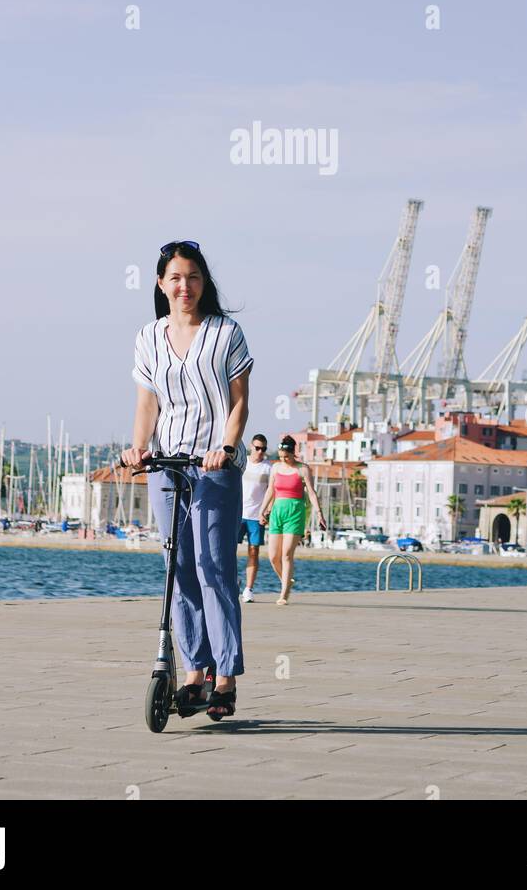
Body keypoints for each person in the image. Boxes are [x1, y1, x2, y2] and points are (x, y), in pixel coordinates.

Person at [121, 240, 253, 720]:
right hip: (166, 466)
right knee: (178, 570)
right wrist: (138, 447)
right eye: (175, 278)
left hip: (214, 466)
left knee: (213, 569)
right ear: (161, 284)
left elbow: (238, 401)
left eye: (193, 277)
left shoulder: (226, 333)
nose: (184, 286)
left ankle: (226, 677)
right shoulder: (149, 337)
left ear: (204, 282)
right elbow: (147, 404)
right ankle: (194, 672)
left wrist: (228, 448)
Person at [259, 435, 326, 605]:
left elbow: (311, 492)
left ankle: (284, 594)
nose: (284, 459)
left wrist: (319, 513)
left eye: (287, 456)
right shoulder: (275, 468)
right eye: (281, 457)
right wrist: (262, 510)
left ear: (293, 453)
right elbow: (270, 491)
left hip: (295, 512)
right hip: (277, 512)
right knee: (273, 556)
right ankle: (286, 580)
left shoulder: (303, 469)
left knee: (286, 554)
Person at [238, 434, 270, 601]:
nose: (260, 452)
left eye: (263, 449)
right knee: (228, 549)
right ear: (251, 446)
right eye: (257, 448)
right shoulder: (243, 462)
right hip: (237, 513)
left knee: (253, 551)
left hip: (256, 516)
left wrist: (266, 512)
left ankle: (248, 589)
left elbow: (272, 493)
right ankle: (232, 580)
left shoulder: (268, 468)